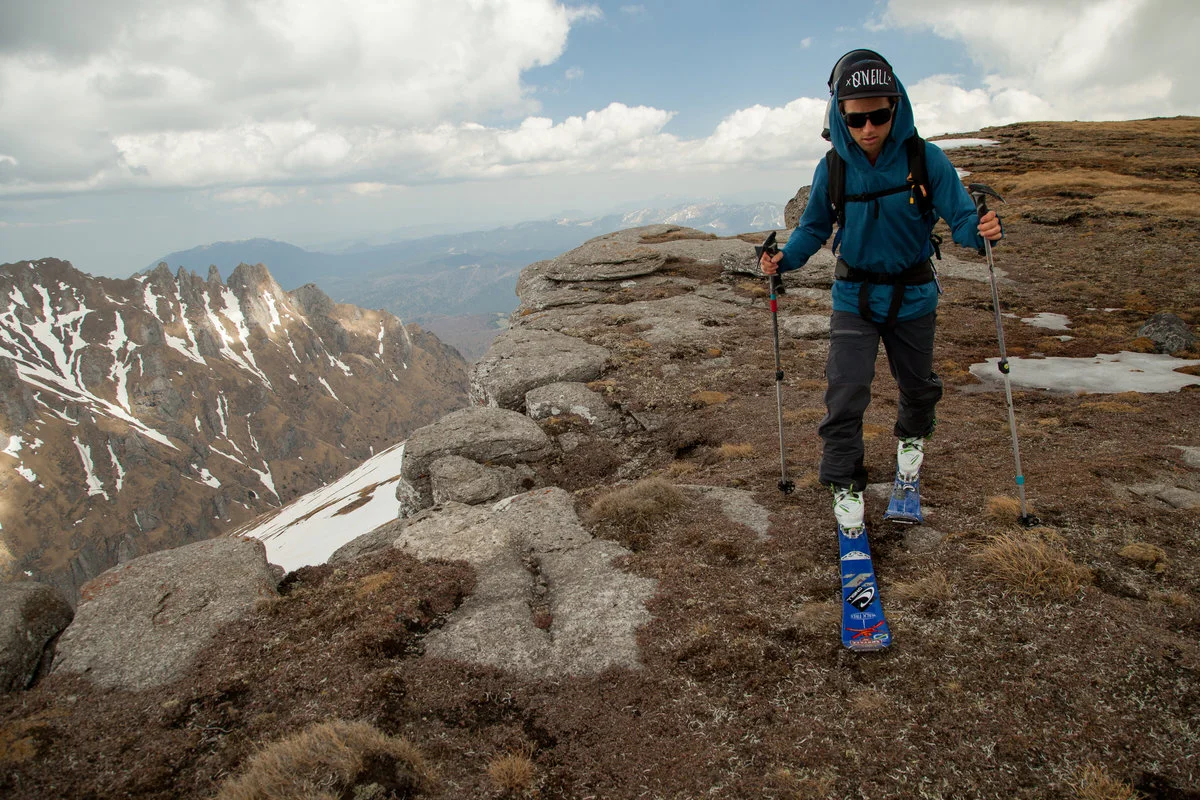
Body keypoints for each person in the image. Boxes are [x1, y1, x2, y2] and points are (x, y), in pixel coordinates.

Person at [760, 51, 1003, 532]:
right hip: (853, 298)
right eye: (856, 118)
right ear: (839, 117)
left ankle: (911, 439)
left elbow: (961, 219)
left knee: (917, 387)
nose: (868, 128)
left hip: (913, 297)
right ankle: (845, 485)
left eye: (879, 115)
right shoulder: (832, 168)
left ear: (897, 107)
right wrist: (783, 259)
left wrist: (984, 231)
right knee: (845, 392)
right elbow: (813, 228)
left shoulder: (924, 158)